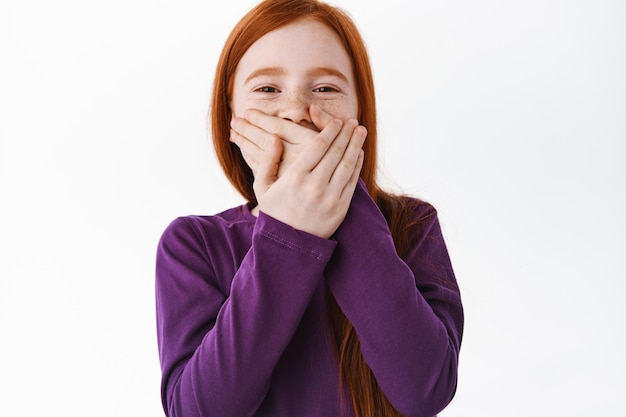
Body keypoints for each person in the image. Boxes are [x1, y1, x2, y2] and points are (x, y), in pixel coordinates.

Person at [155, 0, 463, 416]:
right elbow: (200, 410)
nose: (297, 112)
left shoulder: (413, 224)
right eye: (267, 89)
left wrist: (341, 201)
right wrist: (286, 231)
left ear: (359, 112)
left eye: (325, 90)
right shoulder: (192, 243)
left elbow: (425, 390)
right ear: (231, 115)